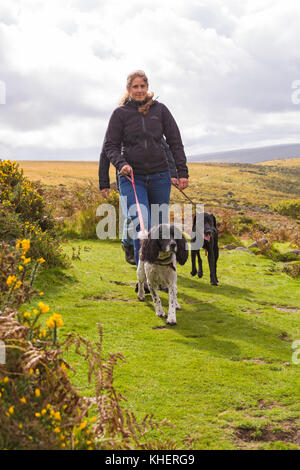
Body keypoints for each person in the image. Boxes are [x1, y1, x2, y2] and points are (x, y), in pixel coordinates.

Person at [104, 70, 189, 268]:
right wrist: (121, 163)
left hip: (160, 176)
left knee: (159, 229)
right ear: (128, 89)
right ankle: (143, 274)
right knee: (140, 223)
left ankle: (160, 272)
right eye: (135, 86)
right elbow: (110, 146)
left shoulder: (160, 110)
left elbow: (176, 142)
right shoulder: (120, 114)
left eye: (143, 86)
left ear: (147, 87)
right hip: (132, 177)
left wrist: (182, 173)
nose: (139, 90)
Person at [98, 137, 179, 265]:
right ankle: (128, 245)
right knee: (134, 217)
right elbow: (105, 153)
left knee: (156, 219)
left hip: (155, 178)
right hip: (129, 181)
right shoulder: (117, 129)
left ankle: (155, 258)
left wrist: (173, 174)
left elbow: (166, 150)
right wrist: (104, 183)